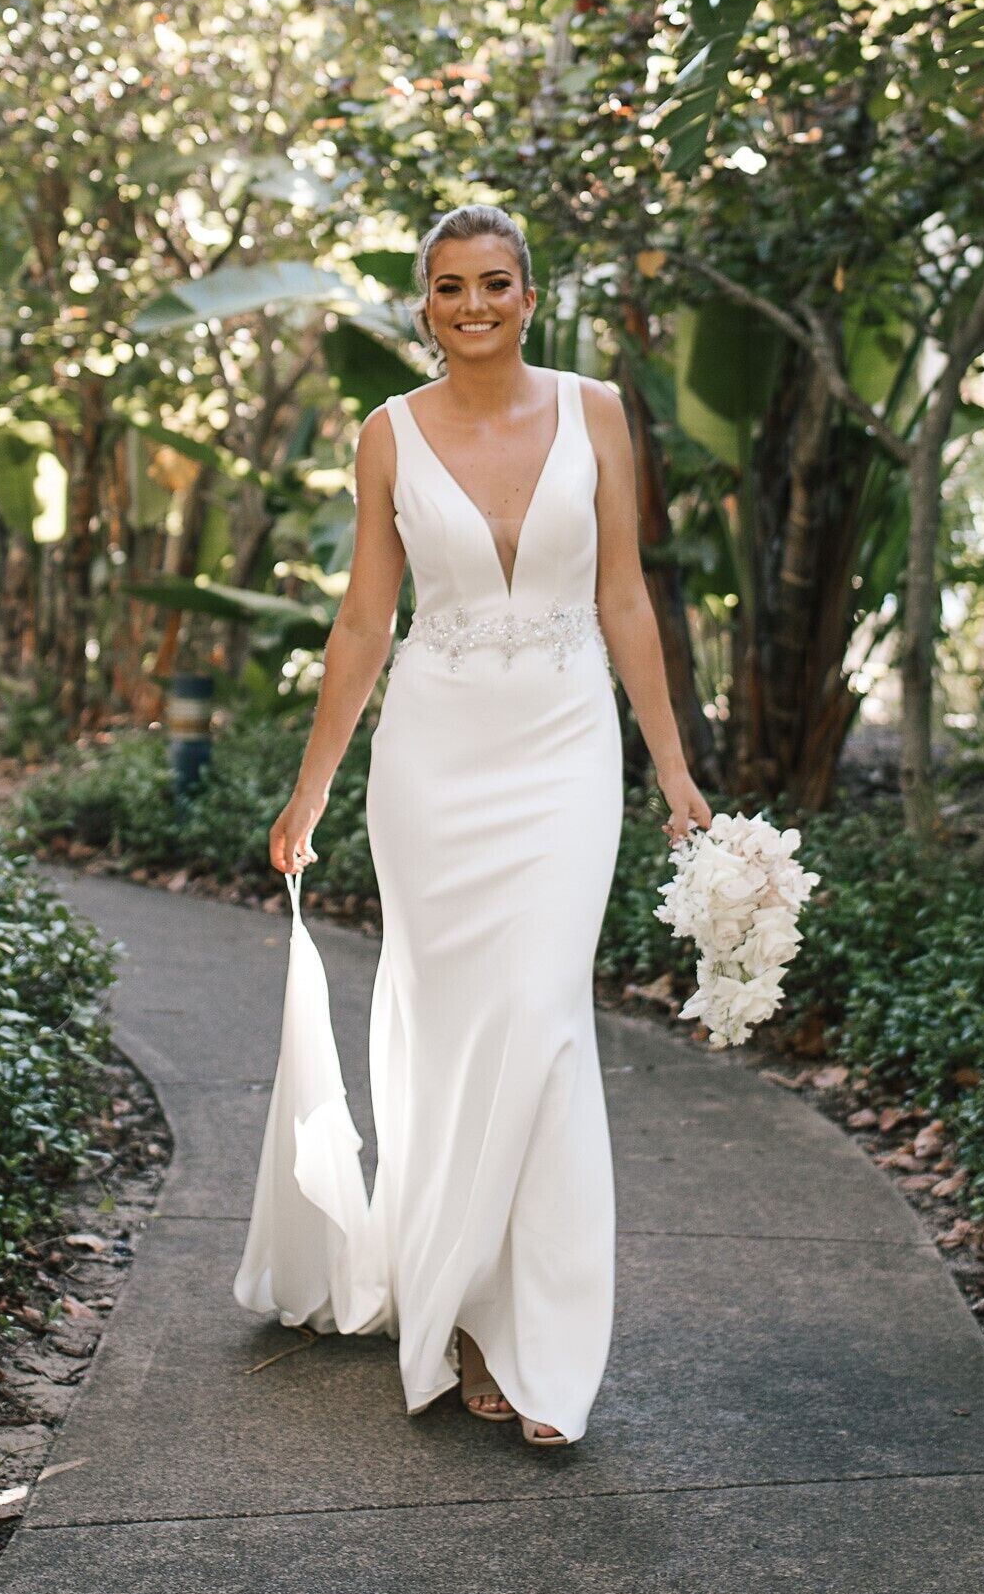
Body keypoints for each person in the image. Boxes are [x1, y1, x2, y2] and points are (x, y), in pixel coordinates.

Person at [253, 202, 713, 1447]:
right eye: (450, 286)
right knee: (456, 1036)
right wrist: (313, 787)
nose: (473, 306)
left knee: (544, 1020)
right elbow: (365, 620)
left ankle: (544, 1347)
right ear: (425, 304)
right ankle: (463, 1313)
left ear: (529, 296)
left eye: (495, 283)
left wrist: (672, 769)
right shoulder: (388, 433)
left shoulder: (598, 413)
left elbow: (625, 599)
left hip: (565, 751)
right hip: (434, 759)